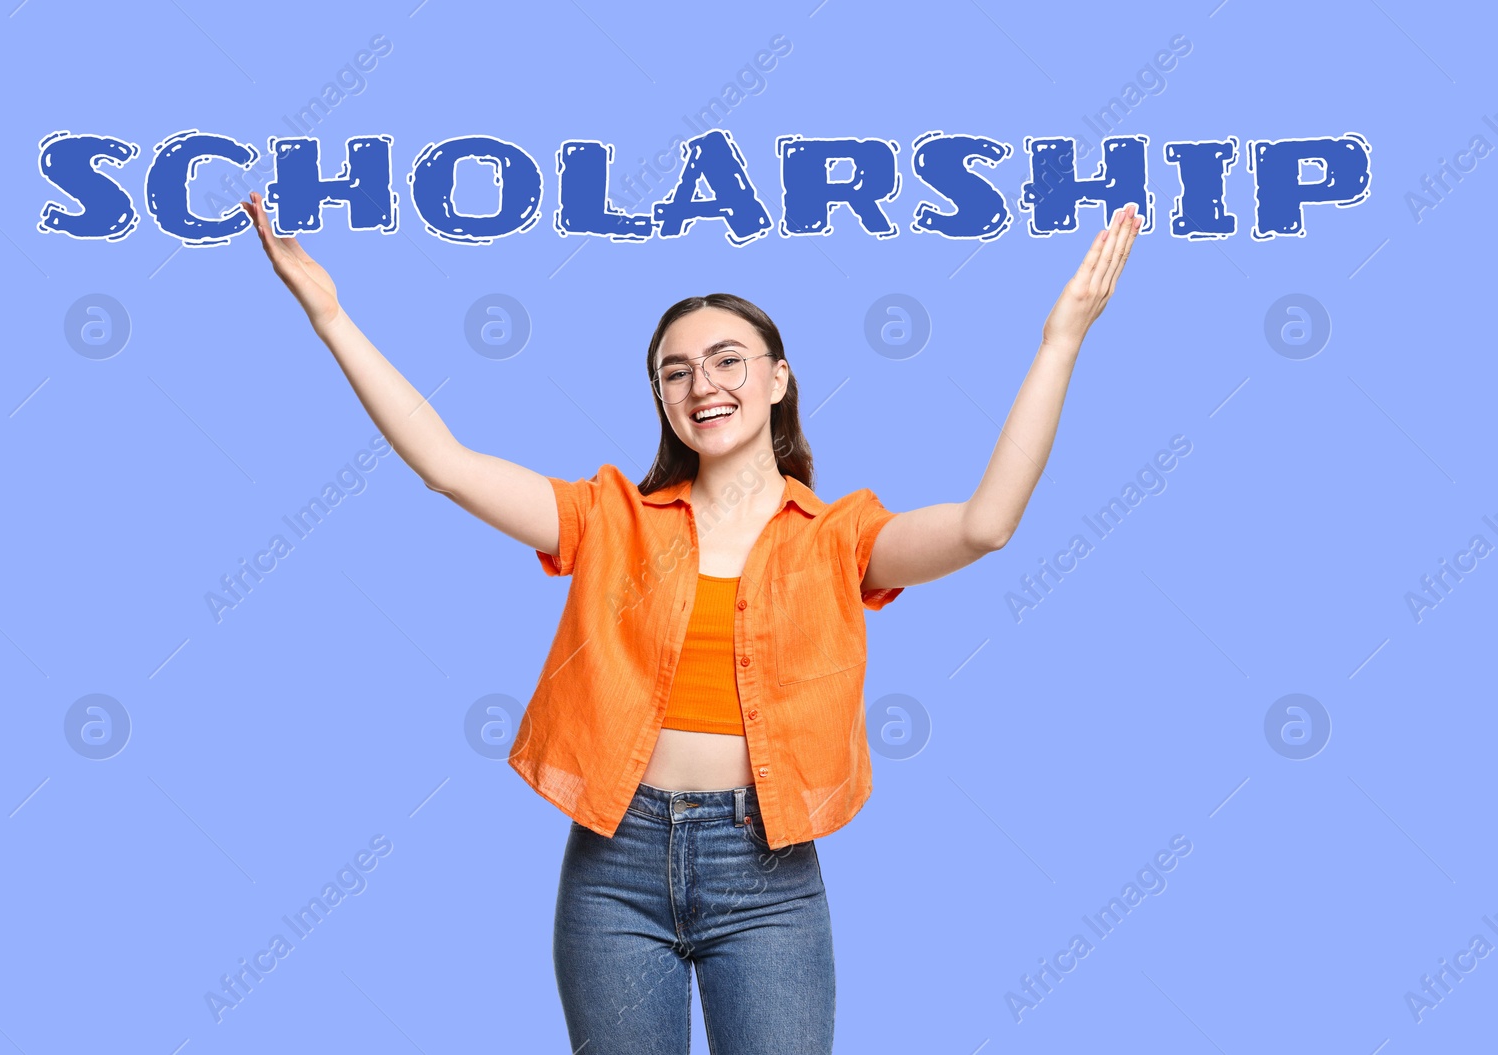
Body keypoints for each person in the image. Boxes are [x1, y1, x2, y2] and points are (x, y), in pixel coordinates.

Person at [240, 190, 1142, 1053]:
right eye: (676, 370)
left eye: (726, 358)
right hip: (614, 868)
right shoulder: (610, 518)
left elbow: (987, 525)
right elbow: (445, 464)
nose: (700, 382)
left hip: (768, 874)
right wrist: (329, 313)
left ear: (779, 378)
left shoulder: (839, 537)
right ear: (663, 400)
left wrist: (1061, 338)